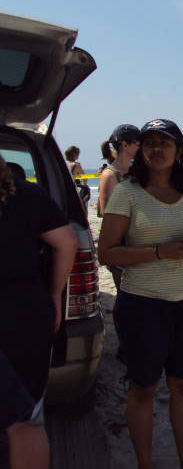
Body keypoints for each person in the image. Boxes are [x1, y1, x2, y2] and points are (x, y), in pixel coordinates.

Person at [98, 119, 183, 469]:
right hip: (143, 306)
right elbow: (107, 253)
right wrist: (162, 251)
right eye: (150, 143)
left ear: (179, 152)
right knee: (143, 389)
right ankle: (145, 464)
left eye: (165, 143)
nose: (156, 149)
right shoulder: (127, 192)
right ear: (141, 151)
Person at [0, 154, 77, 469]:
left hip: (22, 311)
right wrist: (55, 294)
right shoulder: (27, 194)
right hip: (23, 312)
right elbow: (67, 242)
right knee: (27, 417)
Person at [98, 124, 141, 287]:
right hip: (121, 246)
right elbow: (106, 213)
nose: (141, 146)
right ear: (125, 144)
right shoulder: (110, 175)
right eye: (138, 143)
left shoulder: (135, 172)